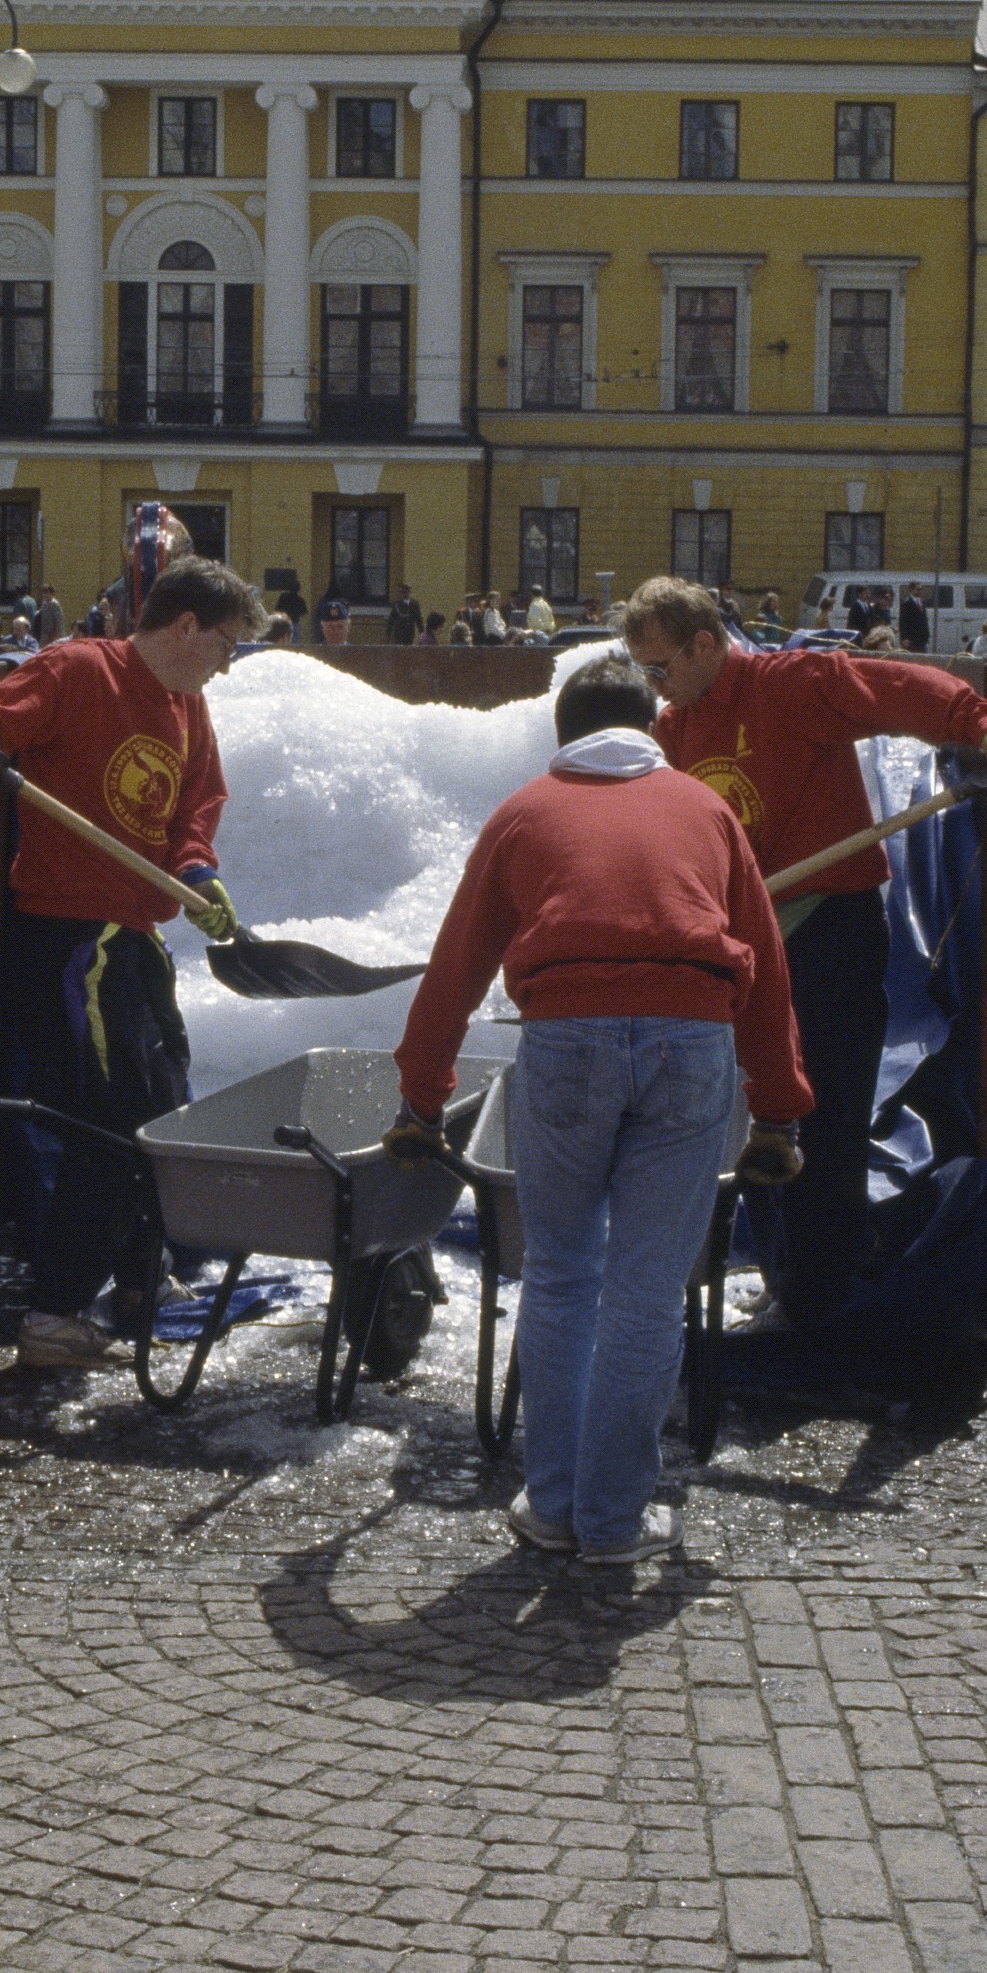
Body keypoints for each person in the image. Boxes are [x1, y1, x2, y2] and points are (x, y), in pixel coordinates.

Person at [392, 654, 811, 1564]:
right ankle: (616, 1523)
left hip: (566, 1041)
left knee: (560, 1276)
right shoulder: (707, 811)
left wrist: (420, 1102)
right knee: (647, 1296)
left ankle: (552, 1506)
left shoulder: (523, 813)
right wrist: (777, 1112)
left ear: (561, 734)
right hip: (690, 1040)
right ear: (655, 727)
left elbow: (453, 969)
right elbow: (767, 970)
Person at [616, 574, 987, 1333]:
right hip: (747, 937)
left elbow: (899, 689)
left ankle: (819, 1295)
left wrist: (983, 729)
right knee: (754, 1113)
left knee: (825, 1112)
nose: (654, 686)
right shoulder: (675, 726)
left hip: (829, 930)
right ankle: (785, 1279)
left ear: (705, 645)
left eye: (659, 667)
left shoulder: (791, 682)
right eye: (642, 673)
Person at [0, 556, 260, 1366]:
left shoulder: (188, 710)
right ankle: (54, 1316)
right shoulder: (82, 669)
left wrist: (196, 872)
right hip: (70, 938)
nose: (227, 664)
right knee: (112, 1123)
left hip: (136, 938)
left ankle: (143, 1278)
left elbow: (194, 809)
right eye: (225, 645)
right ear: (185, 626)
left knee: (166, 1106)